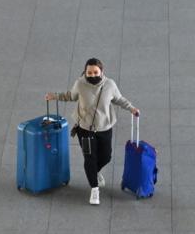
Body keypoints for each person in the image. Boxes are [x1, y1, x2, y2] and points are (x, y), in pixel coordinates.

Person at [45, 58, 139, 205]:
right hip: (85, 129)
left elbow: (119, 99)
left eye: (96, 72)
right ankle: (94, 189)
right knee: (90, 159)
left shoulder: (110, 85)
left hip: (104, 128)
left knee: (106, 156)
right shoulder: (80, 84)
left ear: (102, 71)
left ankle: (94, 172)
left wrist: (132, 108)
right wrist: (55, 96)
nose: (92, 75)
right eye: (89, 72)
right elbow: (70, 96)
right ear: (85, 72)